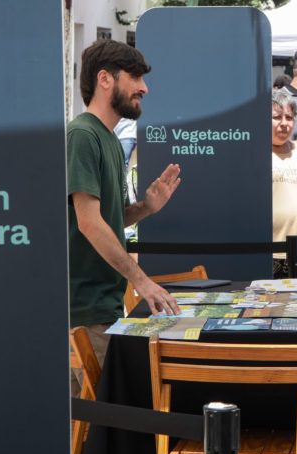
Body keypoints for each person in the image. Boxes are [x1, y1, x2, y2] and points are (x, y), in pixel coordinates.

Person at [67, 39, 181, 368]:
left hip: (104, 307)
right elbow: (88, 222)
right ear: (105, 79)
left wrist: (146, 206)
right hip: (87, 312)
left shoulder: (109, 140)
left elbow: (105, 219)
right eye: (135, 77)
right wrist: (142, 281)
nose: (144, 88)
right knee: (100, 413)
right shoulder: (82, 136)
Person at [271, 91, 297, 278]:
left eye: (289, 117)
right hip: (272, 250)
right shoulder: (256, 152)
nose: (284, 123)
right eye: (276, 117)